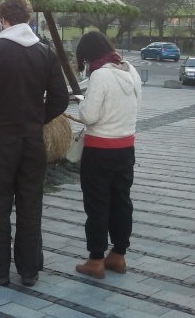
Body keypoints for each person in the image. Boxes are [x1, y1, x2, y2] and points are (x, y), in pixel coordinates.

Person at [0, 0, 69, 287]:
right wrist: (38, 119)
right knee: (30, 204)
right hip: (32, 140)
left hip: (1, 139)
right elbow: (61, 99)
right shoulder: (46, 52)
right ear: (28, 19)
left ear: (3, 19)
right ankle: (29, 270)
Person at [74, 31, 142, 279]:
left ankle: (95, 260)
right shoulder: (130, 70)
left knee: (97, 204)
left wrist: (82, 101)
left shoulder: (100, 75)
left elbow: (89, 116)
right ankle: (119, 255)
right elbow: (136, 103)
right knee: (121, 201)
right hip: (126, 147)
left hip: (100, 149)